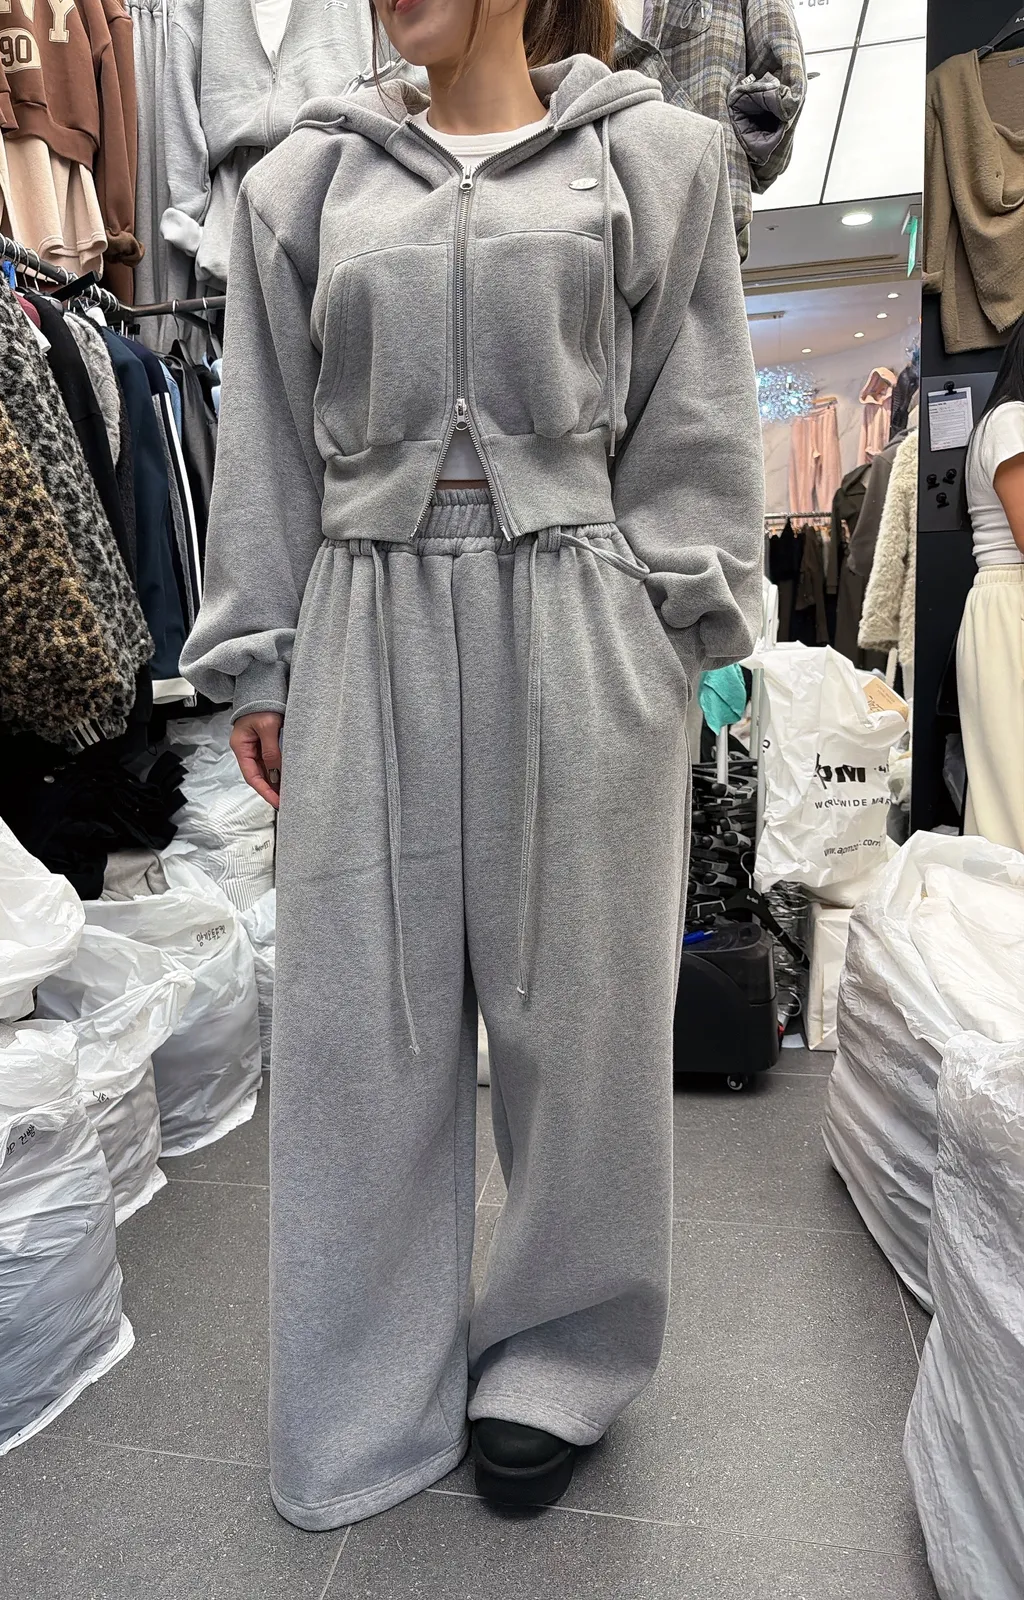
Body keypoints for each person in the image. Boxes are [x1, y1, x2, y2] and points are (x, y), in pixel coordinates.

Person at [180, 0, 764, 1532]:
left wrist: (679, 628)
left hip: (583, 617)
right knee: (355, 1030)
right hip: (363, 613)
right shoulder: (301, 182)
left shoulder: (658, 159)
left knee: (586, 1023)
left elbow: (695, 424)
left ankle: (560, 1360)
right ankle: (366, 1386)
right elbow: (266, 442)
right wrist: (260, 655)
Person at [959, 318, 1024, 852]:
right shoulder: (1012, 421)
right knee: (1011, 783)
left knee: (1006, 778)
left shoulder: (1004, 420)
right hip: (1010, 601)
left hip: (1003, 602)